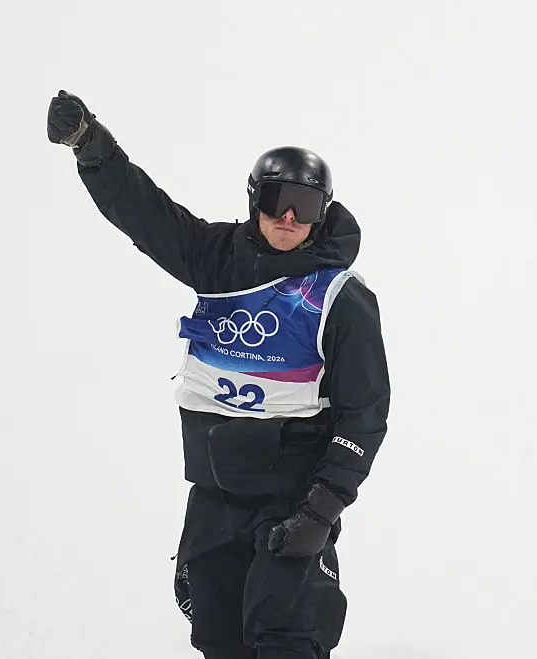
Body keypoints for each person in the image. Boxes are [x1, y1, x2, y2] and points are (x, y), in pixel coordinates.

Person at [46, 90, 391, 659]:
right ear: (256, 199)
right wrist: (91, 146)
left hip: (293, 495)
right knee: (217, 635)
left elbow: (366, 413)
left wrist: (322, 510)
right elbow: (146, 214)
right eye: (279, 200)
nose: (288, 218)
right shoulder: (217, 259)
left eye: (305, 207)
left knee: (287, 635)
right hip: (216, 493)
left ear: (322, 212)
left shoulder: (339, 298)